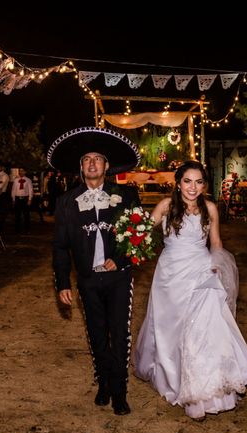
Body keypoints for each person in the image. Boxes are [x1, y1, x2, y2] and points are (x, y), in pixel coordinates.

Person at [134, 161, 247, 420]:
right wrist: (131, 238)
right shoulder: (165, 206)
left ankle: (203, 390)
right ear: (178, 182)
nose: (192, 187)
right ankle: (172, 375)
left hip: (201, 272)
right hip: (170, 276)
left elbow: (216, 242)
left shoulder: (211, 208)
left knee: (204, 328)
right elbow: (142, 233)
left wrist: (217, 265)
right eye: (187, 181)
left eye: (198, 182)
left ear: (204, 185)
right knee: (170, 327)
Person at [50, 127, 141, 416]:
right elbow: (61, 247)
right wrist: (62, 282)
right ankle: (103, 382)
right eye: (87, 159)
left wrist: (120, 258)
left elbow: (138, 235)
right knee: (97, 334)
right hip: (88, 281)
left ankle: (120, 391)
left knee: (119, 334)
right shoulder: (66, 202)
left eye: (97, 159)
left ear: (106, 166)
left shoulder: (126, 195)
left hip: (118, 278)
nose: (92, 163)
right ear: (81, 167)